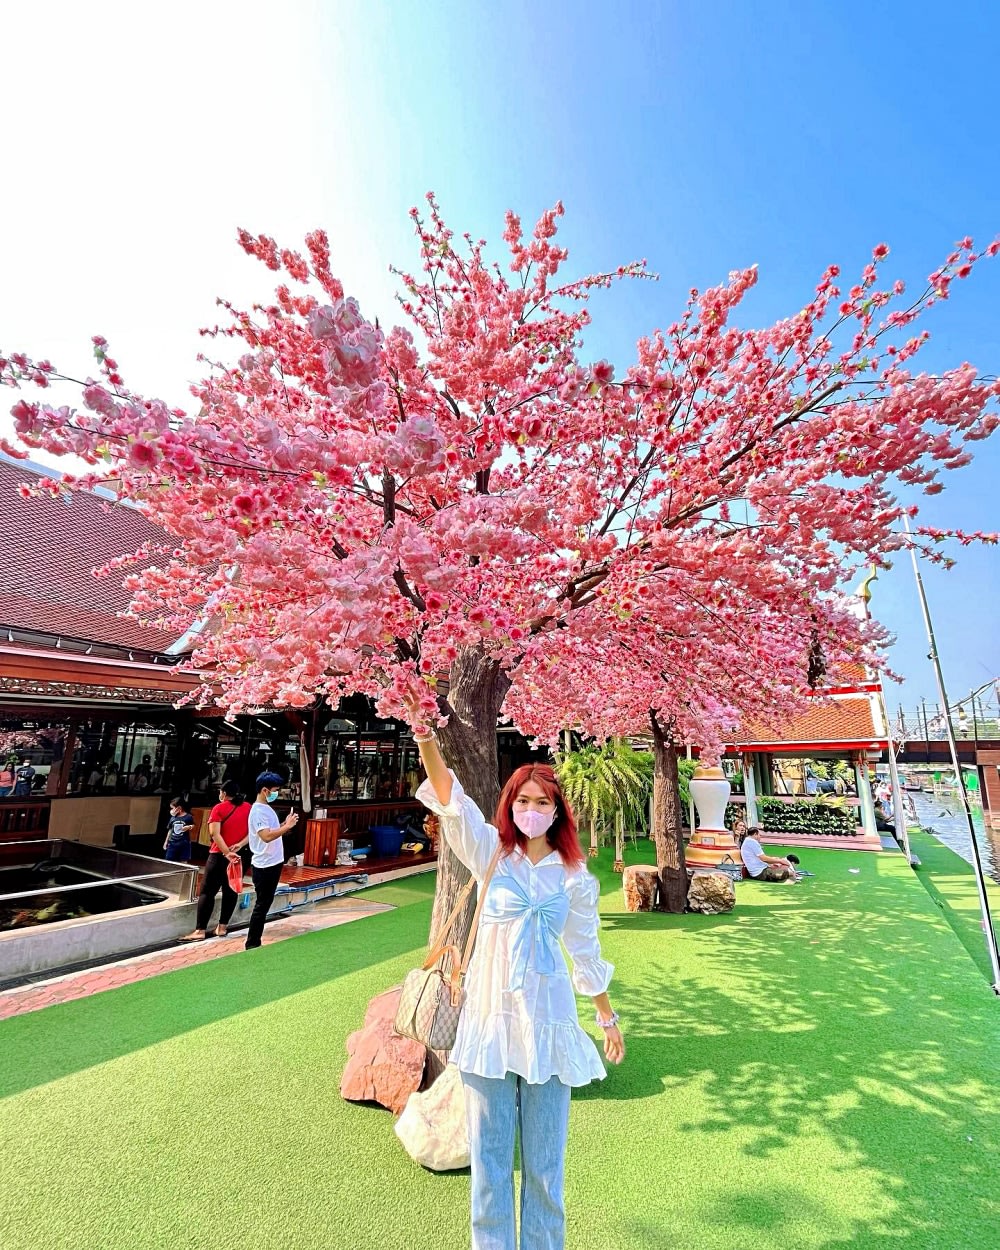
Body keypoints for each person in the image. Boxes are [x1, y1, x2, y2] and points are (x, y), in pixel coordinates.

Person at [412, 717, 624, 1250]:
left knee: (546, 1172)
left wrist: (606, 1016)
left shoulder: (575, 879)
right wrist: (424, 737)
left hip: (548, 1027)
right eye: (522, 801)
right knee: (488, 1170)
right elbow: (451, 799)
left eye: (542, 802)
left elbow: (585, 949)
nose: (531, 810)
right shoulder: (491, 856)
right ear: (510, 807)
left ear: (557, 812)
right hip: (489, 1024)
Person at [180, 782, 252, 942]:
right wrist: (239, 846)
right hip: (239, 855)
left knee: (207, 891)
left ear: (224, 793)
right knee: (230, 890)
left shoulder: (219, 808)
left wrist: (226, 852)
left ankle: (200, 930)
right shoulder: (248, 807)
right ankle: (222, 927)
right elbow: (252, 831)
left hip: (219, 855)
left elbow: (215, 833)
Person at [245, 771, 298, 950]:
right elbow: (266, 836)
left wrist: (284, 825)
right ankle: (252, 942)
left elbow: (270, 832)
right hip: (265, 864)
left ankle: (254, 940)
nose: (277, 793)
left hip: (272, 862)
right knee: (262, 904)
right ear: (265, 790)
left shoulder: (265, 809)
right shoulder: (258, 811)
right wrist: (286, 828)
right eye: (275, 790)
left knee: (264, 903)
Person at [163, 797, 195, 862]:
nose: (171, 810)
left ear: (179, 808)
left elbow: (193, 825)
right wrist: (166, 841)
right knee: (169, 861)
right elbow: (170, 830)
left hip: (184, 844)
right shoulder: (172, 818)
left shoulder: (188, 817)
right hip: (172, 843)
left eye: (173, 808)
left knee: (183, 861)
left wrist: (189, 827)